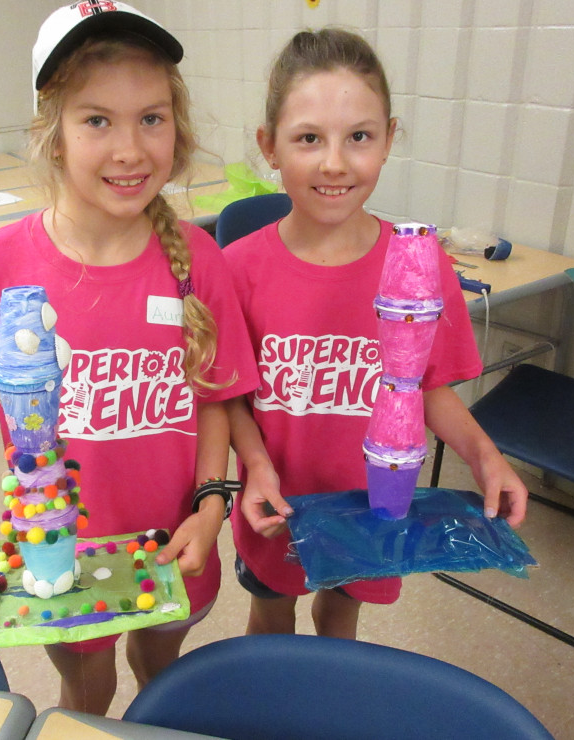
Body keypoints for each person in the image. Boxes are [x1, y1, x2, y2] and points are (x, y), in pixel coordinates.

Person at [0, 2, 257, 715]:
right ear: (52, 133)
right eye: (97, 120)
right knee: (85, 689)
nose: (130, 149)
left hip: (172, 545)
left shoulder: (198, 261)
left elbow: (215, 401)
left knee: (160, 670)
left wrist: (210, 506)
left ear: (178, 125)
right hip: (56, 552)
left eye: (152, 118)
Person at [223, 28, 528, 641]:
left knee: (341, 614)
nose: (335, 162)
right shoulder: (237, 269)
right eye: (309, 138)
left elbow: (427, 387)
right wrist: (254, 464)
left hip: (373, 502)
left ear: (388, 139)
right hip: (277, 500)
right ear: (269, 147)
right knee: (272, 615)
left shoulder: (419, 264)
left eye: (359, 137)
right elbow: (230, 394)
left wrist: (485, 457)